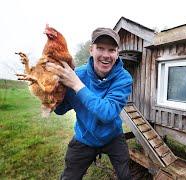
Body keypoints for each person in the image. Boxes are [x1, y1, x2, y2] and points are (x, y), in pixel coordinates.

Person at [46, 27, 133, 180]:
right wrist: (52, 92)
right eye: (100, 48)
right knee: (69, 177)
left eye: (111, 50)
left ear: (117, 53)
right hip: (84, 137)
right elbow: (60, 110)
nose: (106, 55)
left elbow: (108, 113)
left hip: (112, 136)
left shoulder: (124, 78)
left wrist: (77, 85)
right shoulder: (77, 74)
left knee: (125, 174)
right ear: (91, 50)